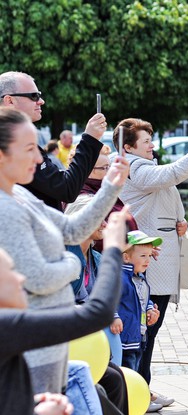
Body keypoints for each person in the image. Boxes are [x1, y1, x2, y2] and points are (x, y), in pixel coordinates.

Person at [0, 210, 187, 415]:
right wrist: (113, 248)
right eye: (11, 272)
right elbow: (96, 313)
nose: (21, 277)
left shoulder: (11, 320)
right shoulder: (7, 325)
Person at [0, 107, 126, 395]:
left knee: (110, 391)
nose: (39, 158)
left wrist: (110, 188)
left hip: (49, 346)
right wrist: (72, 261)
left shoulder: (19, 195)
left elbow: (72, 230)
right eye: (30, 149)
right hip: (35, 350)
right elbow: (39, 277)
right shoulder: (5, 209)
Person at [117, 117, 188, 409]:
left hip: (154, 265)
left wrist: (178, 221)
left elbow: (167, 191)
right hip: (149, 266)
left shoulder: (143, 168)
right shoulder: (136, 168)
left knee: (147, 333)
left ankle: (143, 391)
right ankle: (138, 394)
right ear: (128, 147)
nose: (151, 145)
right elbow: (176, 173)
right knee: (143, 334)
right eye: (145, 142)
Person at [0, 71, 106, 210]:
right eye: (34, 96)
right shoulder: (11, 142)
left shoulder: (24, 201)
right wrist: (90, 140)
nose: (41, 101)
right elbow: (66, 189)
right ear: (10, 101)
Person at [112, 231, 161, 370]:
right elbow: (107, 300)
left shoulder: (139, 277)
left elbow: (142, 299)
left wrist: (150, 308)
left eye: (149, 255)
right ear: (126, 257)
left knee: (135, 370)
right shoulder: (120, 278)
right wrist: (114, 317)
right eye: (143, 256)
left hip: (137, 337)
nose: (148, 260)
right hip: (124, 340)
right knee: (125, 373)